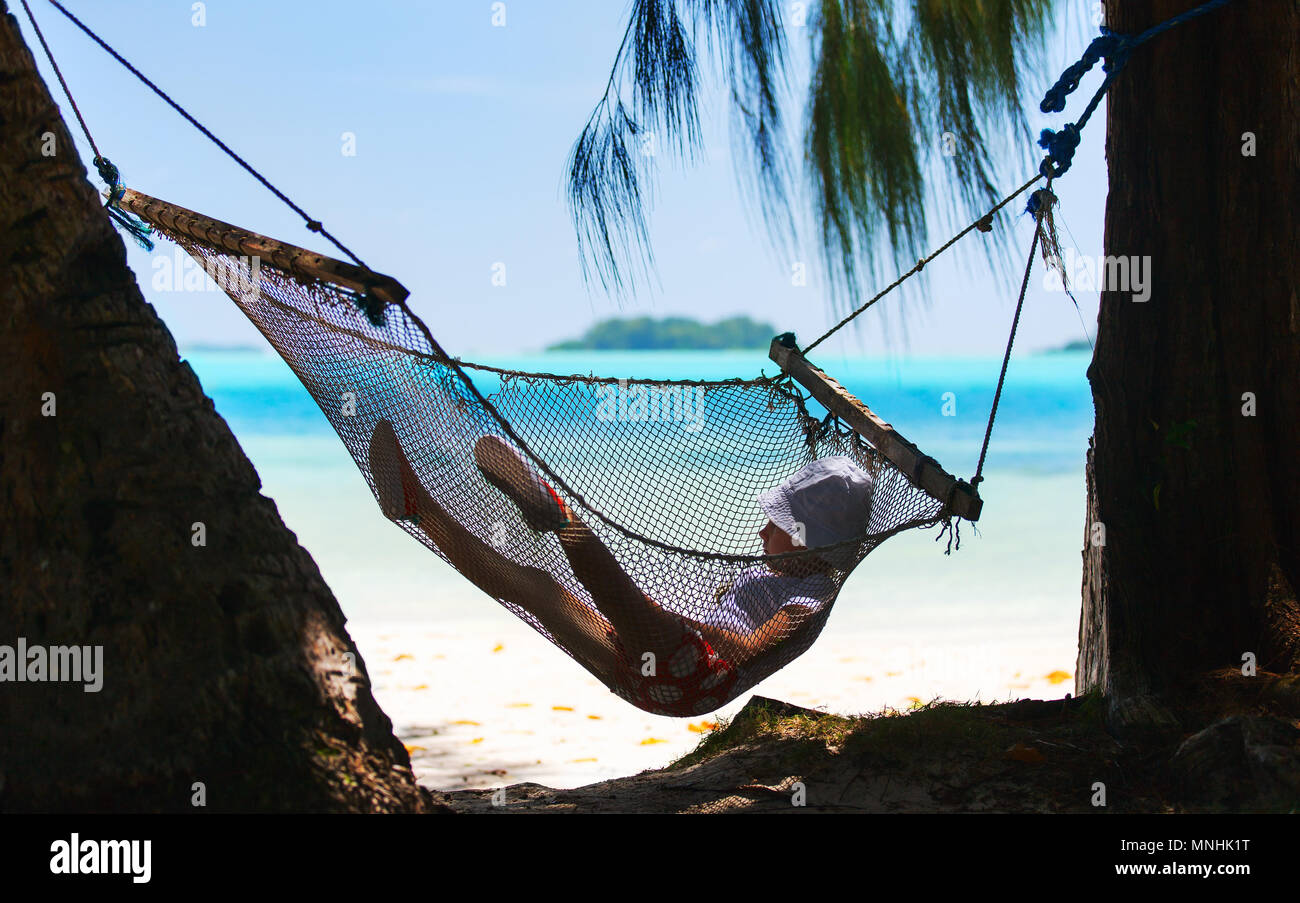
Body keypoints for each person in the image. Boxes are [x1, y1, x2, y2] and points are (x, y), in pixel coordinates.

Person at [367, 419, 874, 716]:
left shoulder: (810, 598)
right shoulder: (777, 574)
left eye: (778, 523)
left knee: (624, 596)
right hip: (638, 668)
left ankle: (556, 515)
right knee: (536, 589)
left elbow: (750, 651)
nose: (763, 530)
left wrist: (685, 623)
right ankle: (420, 510)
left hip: (695, 674)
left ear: (813, 542)